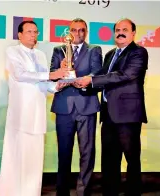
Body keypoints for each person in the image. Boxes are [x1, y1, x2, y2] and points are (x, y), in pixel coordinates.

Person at [78, 18, 148, 196]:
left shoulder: (139, 52)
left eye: (125, 29)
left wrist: (91, 80)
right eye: (117, 29)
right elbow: (100, 77)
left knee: (131, 160)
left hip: (128, 116)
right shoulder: (110, 54)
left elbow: (124, 75)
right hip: (108, 115)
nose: (120, 32)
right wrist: (81, 82)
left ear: (133, 33)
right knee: (109, 160)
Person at [0, 21, 68, 196]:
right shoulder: (12, 51)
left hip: (38, 113)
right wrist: (52, 75)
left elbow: (43, 83)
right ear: (19, 35)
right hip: (21, 114)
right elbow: (20, 75)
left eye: (36, 32)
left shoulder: (41, 54)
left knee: (35, 160)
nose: (33, 35)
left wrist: (57, 85)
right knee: (17, 157)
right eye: (29, 32)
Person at [50, 18, 103, 196]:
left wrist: (85, 82)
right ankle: (61, 192)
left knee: (87, 154)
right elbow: (52, 75)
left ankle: (83, 192)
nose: (78, 33)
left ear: (86, 32)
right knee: (63, 153)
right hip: (63, 107)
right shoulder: (58, 50)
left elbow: (97, 73)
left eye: (81, 30)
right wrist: (60, 69)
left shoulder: (94, 50)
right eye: (74, 30)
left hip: (86, 106)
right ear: (69, 32)